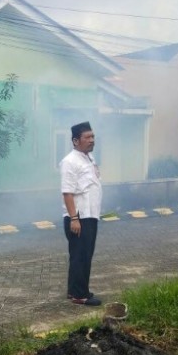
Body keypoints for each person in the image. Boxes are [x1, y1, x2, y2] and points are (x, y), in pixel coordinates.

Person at [60, 121, 103, 306]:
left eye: (93, 136)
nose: (92, 140)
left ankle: (76, 291)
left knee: (85, 254)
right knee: (80, 255)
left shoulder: (89, 158)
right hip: (79, 218)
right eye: (87, 137)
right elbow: (67, 192)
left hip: (90, 215)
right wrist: (74, 218)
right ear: (76, 141)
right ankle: (79, 296)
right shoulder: (70, 161)